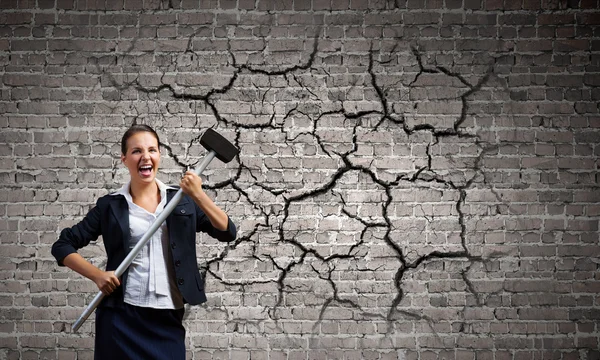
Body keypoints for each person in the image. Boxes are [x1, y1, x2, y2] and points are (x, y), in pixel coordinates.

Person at [52, 124, 236, 359]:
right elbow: (62, 245)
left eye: (152, 150)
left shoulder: (183, 201)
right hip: (120, 317)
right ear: (125, 159)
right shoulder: (110, 205)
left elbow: (227, 231)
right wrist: (97, 275)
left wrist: (198, 194)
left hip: (167, 315)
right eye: (136, 151)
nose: (145, 156)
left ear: (159, 156)